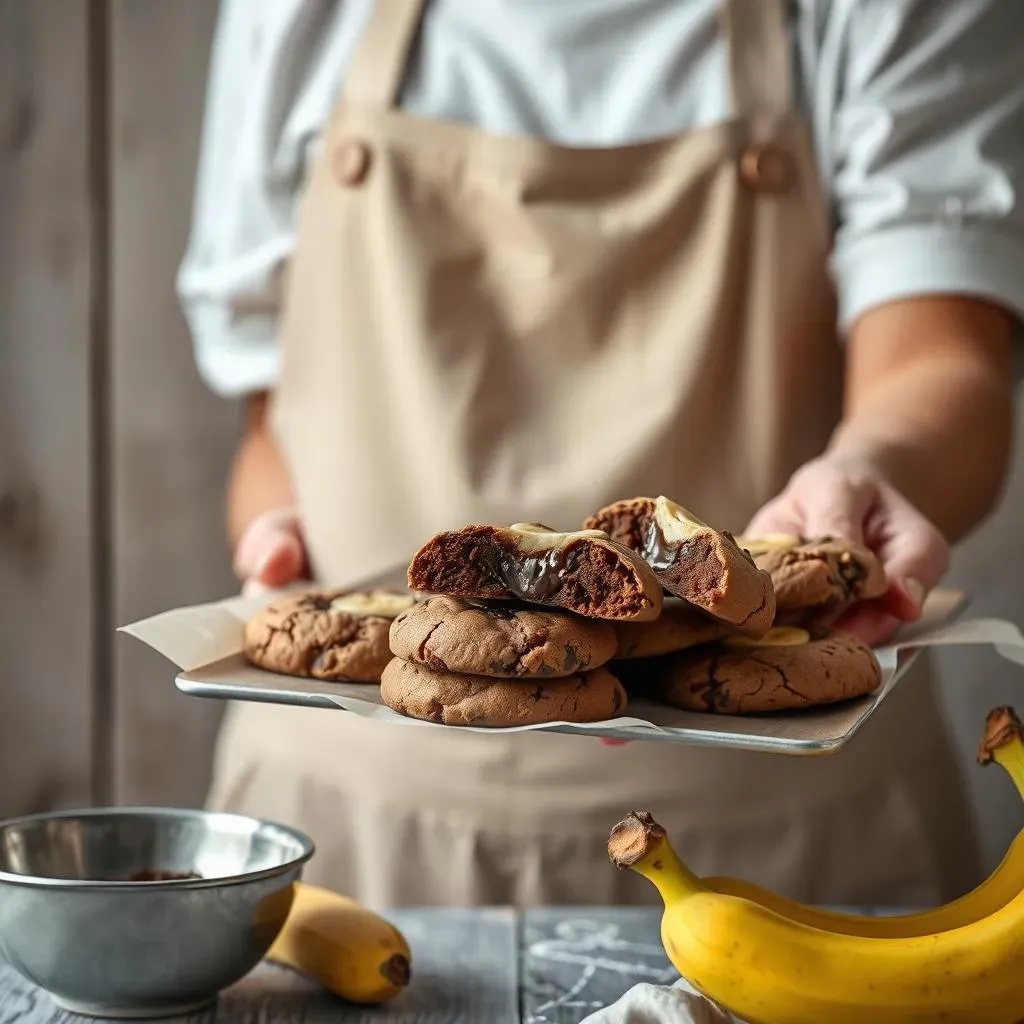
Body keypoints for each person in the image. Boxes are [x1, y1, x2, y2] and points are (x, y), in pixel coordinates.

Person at [177, 0, 1021, 909]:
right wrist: (276, 529)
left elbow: (944, 359)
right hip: (347, 831)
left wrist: (872, 471)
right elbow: (273, 415)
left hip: (792, 850)